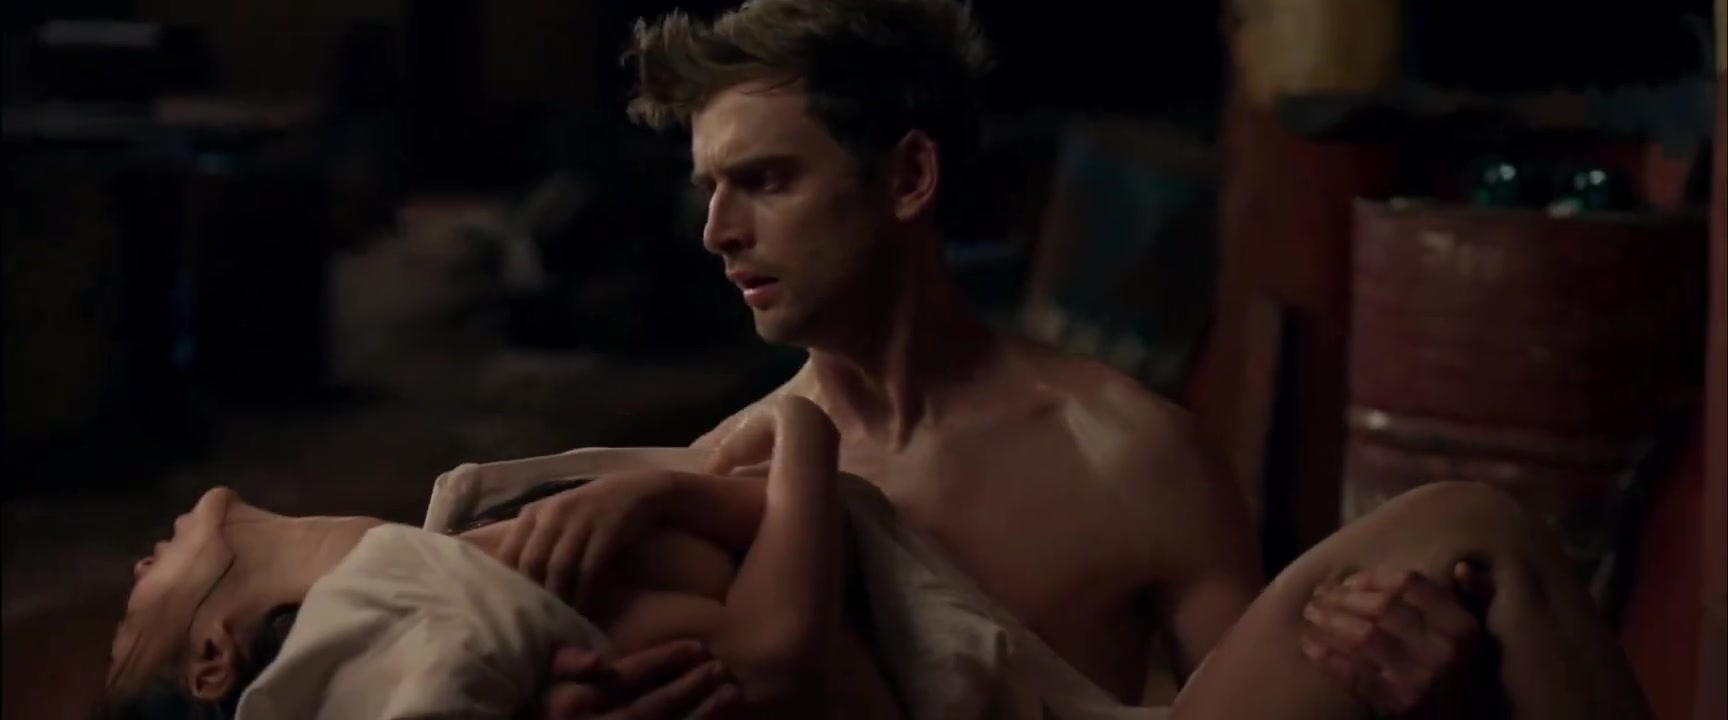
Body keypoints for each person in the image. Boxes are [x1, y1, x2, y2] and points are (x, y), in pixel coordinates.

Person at [522, 1, 1650, 718]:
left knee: (1477, 533)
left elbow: (1276, 691)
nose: (719, 232)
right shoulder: (732, 470)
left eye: (765, 181)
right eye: (710, 191)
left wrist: (1424, 690)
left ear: (909, 179)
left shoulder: (1124, 452)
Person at [99, 397, 902, 718]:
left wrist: (659, 496)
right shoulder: (420, 598)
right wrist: (803, 422)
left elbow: (779, 531)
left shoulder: (436, 563)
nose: (135, 571)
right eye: (132, 618)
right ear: (214, 660)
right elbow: (769, 656)